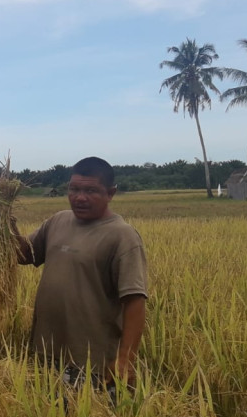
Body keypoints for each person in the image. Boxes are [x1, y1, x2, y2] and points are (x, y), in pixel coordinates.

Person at [12, 156, 147, 393]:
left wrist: (125, 359)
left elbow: (134, 300)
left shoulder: (122, 236)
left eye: (91, 190)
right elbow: (24, 255)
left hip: (91, 360)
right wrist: (3, 225)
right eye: (74, 189)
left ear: (110, 193)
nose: (80, 197)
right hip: (47, 351)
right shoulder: (58, 221)